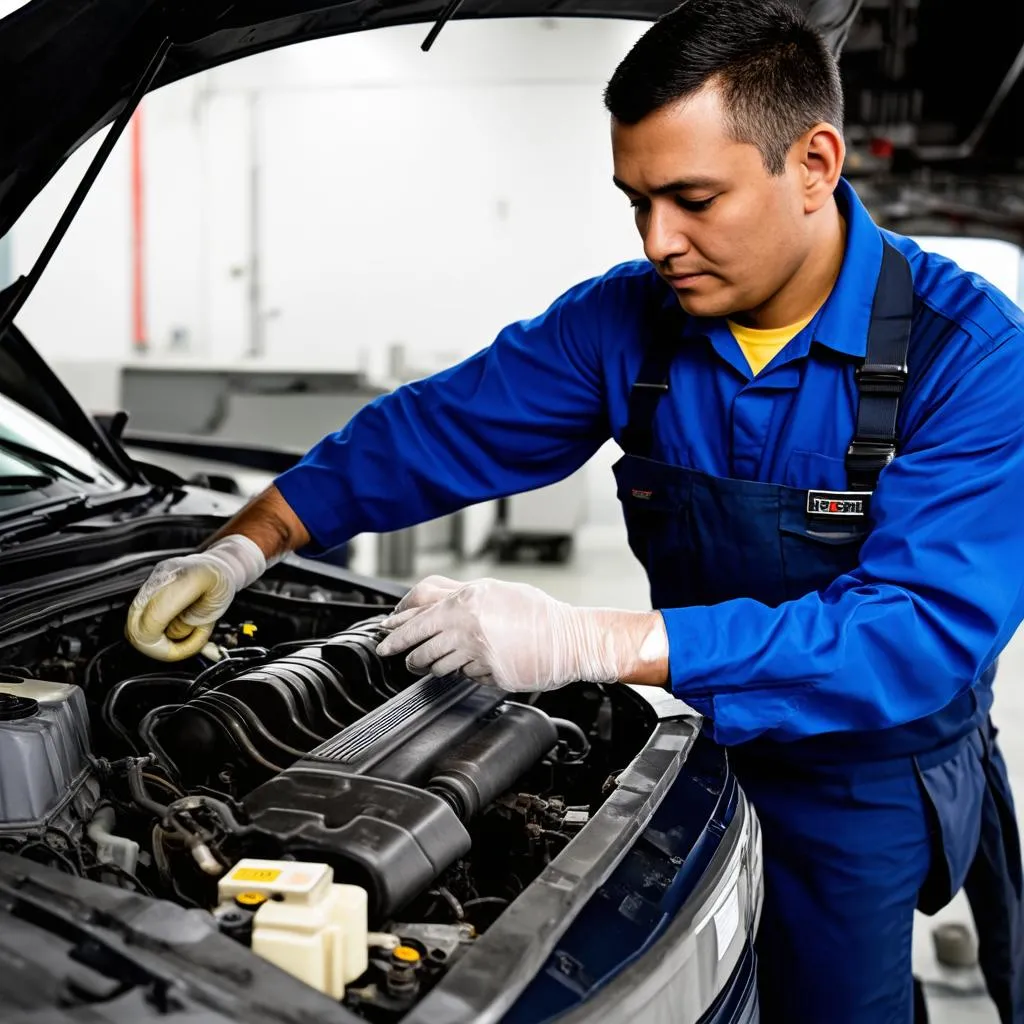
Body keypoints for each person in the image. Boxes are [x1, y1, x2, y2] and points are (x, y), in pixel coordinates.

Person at [125, 1, 1024, 1020]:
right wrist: (250, 541)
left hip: (861, 777)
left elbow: (914, 628)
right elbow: (436, 430)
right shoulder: (627, 319)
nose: (660, 242)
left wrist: (591, 637)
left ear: (813, 164)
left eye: (692, 198)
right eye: (635, 201)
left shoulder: (970, 353)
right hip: (704, 746)